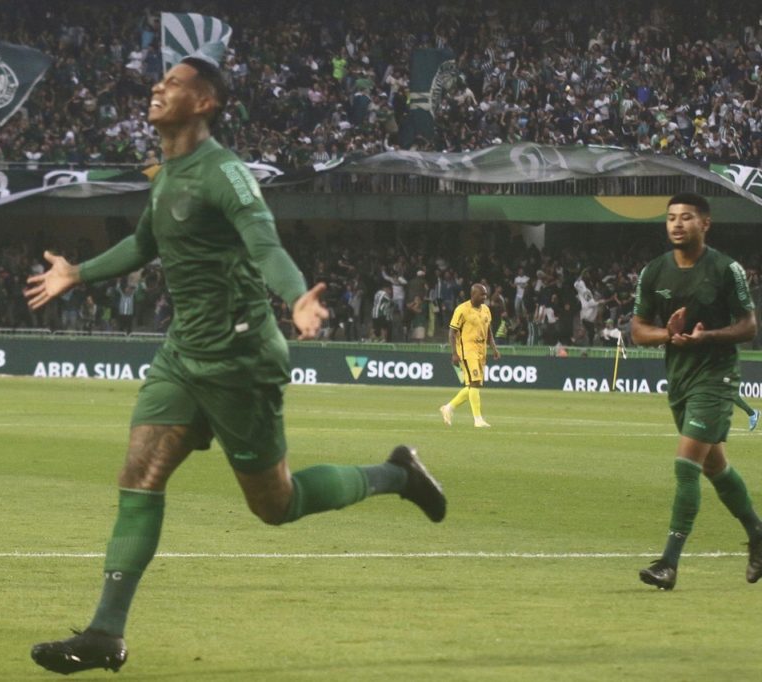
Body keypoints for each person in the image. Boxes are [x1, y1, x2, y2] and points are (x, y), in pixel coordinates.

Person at [24, 57, 446, 675]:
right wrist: (77, 273)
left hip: (240, 361)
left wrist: (296, 296)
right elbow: (146, 242)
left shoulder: (225, 173)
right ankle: (104, 633)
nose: (157, 86)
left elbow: (264, 242)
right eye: (159, 79)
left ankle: (395, 474)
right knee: (139, 473)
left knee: (276, 504)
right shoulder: (169, 171)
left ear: (205, 103)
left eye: (173, 82)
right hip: (182, 357)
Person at [631, 193, 762, 590]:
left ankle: (668, 564)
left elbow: (749, 326)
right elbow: (639, 330)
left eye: (686, 217)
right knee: (715, 467)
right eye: (671, 218)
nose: (676, 224)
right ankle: (758, 535)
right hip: (681, 379)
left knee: (685, 464)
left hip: (717, 375)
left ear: (705, 223)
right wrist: (667, 335)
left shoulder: (726, 270)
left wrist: (709, 337)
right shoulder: (654, 272)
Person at [440, 283, 500, 428]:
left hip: (481, 350)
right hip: (468, 350)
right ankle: (477, 419)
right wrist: (454, 353)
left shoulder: (486, 309)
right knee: (474, 383)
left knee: (475, 384)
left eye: (485, 294)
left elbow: (488, 330)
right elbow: (452, 332)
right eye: (482, 295)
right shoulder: (462, 310)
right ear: (473, 295)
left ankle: (449, 407)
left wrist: (494, 347)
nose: (485, 297)